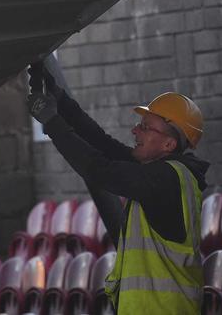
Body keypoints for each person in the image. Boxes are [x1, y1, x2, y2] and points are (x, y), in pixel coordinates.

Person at [27, 57, 209, 314]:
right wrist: (62, 103)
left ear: (169, 145)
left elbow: (100, 170)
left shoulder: (165, 179)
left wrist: (54, 124)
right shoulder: (164, 174)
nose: (136, 131)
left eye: (146, 127)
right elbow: (105, 146)